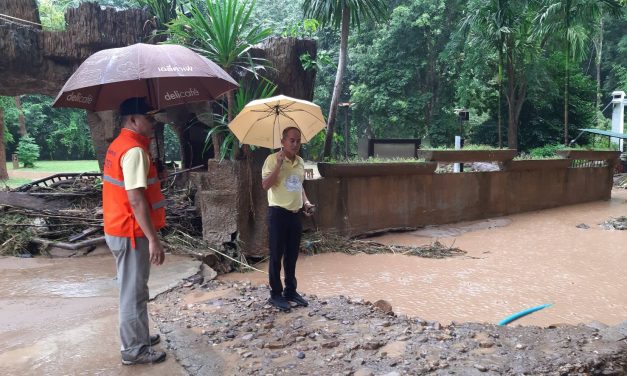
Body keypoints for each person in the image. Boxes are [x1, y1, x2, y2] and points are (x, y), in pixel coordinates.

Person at [102, 97, 167, 365]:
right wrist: (154, 239)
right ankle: (134, 350)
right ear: (132, 120)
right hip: (131, 231)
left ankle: (138, 336)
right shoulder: (134, 151)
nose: (153, 123)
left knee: (135, 288)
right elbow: (136, 199)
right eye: (148, 118)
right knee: (132, 292)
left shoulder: (121, 145)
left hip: (119, 227)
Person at [262, 126, 316, 312]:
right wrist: (278, 165)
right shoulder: (271, 160)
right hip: (277, 214)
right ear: (283, 141)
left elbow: (298, 185)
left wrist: (306, 202)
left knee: (292, 255)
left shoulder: (300, 162)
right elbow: (265, 185)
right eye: (291, 140)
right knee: (276, 255)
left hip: (295, 214)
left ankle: (290, 291)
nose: (295, 144)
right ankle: (275, 294)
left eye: (298, 140)